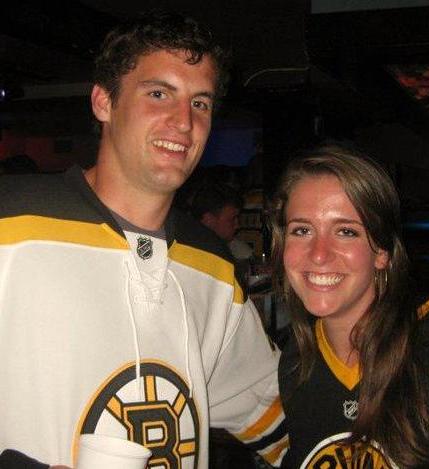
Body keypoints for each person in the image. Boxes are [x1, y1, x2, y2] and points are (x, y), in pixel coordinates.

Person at [0, 11, 287, 469]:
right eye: (159, 94)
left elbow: (277, 416)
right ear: (103, 102)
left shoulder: (211, 266)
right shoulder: (10, 222)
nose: (183, 122)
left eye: (200, 103)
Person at [270, 143, 429, 468]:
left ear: (382, 252)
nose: (319, 254)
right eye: (302, 230)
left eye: (346, 232)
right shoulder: (296, 361)